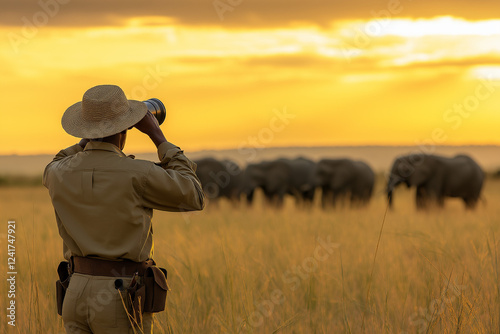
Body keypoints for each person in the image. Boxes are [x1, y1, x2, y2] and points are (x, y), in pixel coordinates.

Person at [43, 84, 205, 333]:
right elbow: (193, 194)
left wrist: (92, 134)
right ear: (125, 129)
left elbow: (57, 160)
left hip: (74, 291)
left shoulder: (57, 173)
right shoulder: (138, 173)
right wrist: (157, 136)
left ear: (85, 129)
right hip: (119, 295)